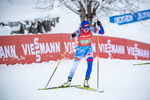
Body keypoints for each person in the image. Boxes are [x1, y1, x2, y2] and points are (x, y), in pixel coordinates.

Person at [62, 20, 104, 87]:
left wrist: (100, 25)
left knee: (90, 65)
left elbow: (102, 32)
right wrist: (73, 35)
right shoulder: (78, 31)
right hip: (80, 51)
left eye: (87, 28)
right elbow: (70, 37)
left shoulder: (92, 29)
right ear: (82, 28)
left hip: (88, 50)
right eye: (85, 29)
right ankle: (68, 81)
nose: (87, 30)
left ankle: (86, 81)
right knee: (74, 66)